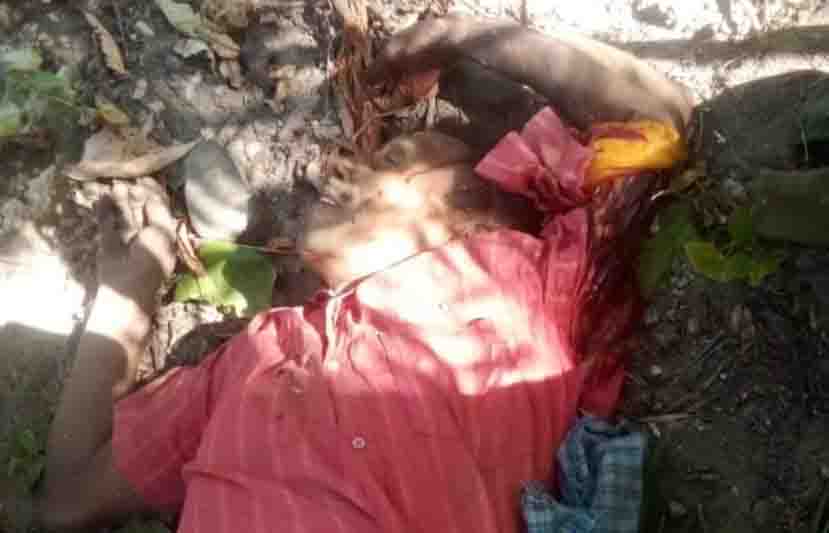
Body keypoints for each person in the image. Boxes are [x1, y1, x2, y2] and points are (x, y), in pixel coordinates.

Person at [33, 15, 692, 533]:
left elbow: (660, 121)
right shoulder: (249, 357)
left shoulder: (531, 281)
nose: (342, 170)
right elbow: (66, 498)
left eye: (393, 159)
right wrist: (128, 287)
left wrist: (474, 37)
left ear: (473, 220)